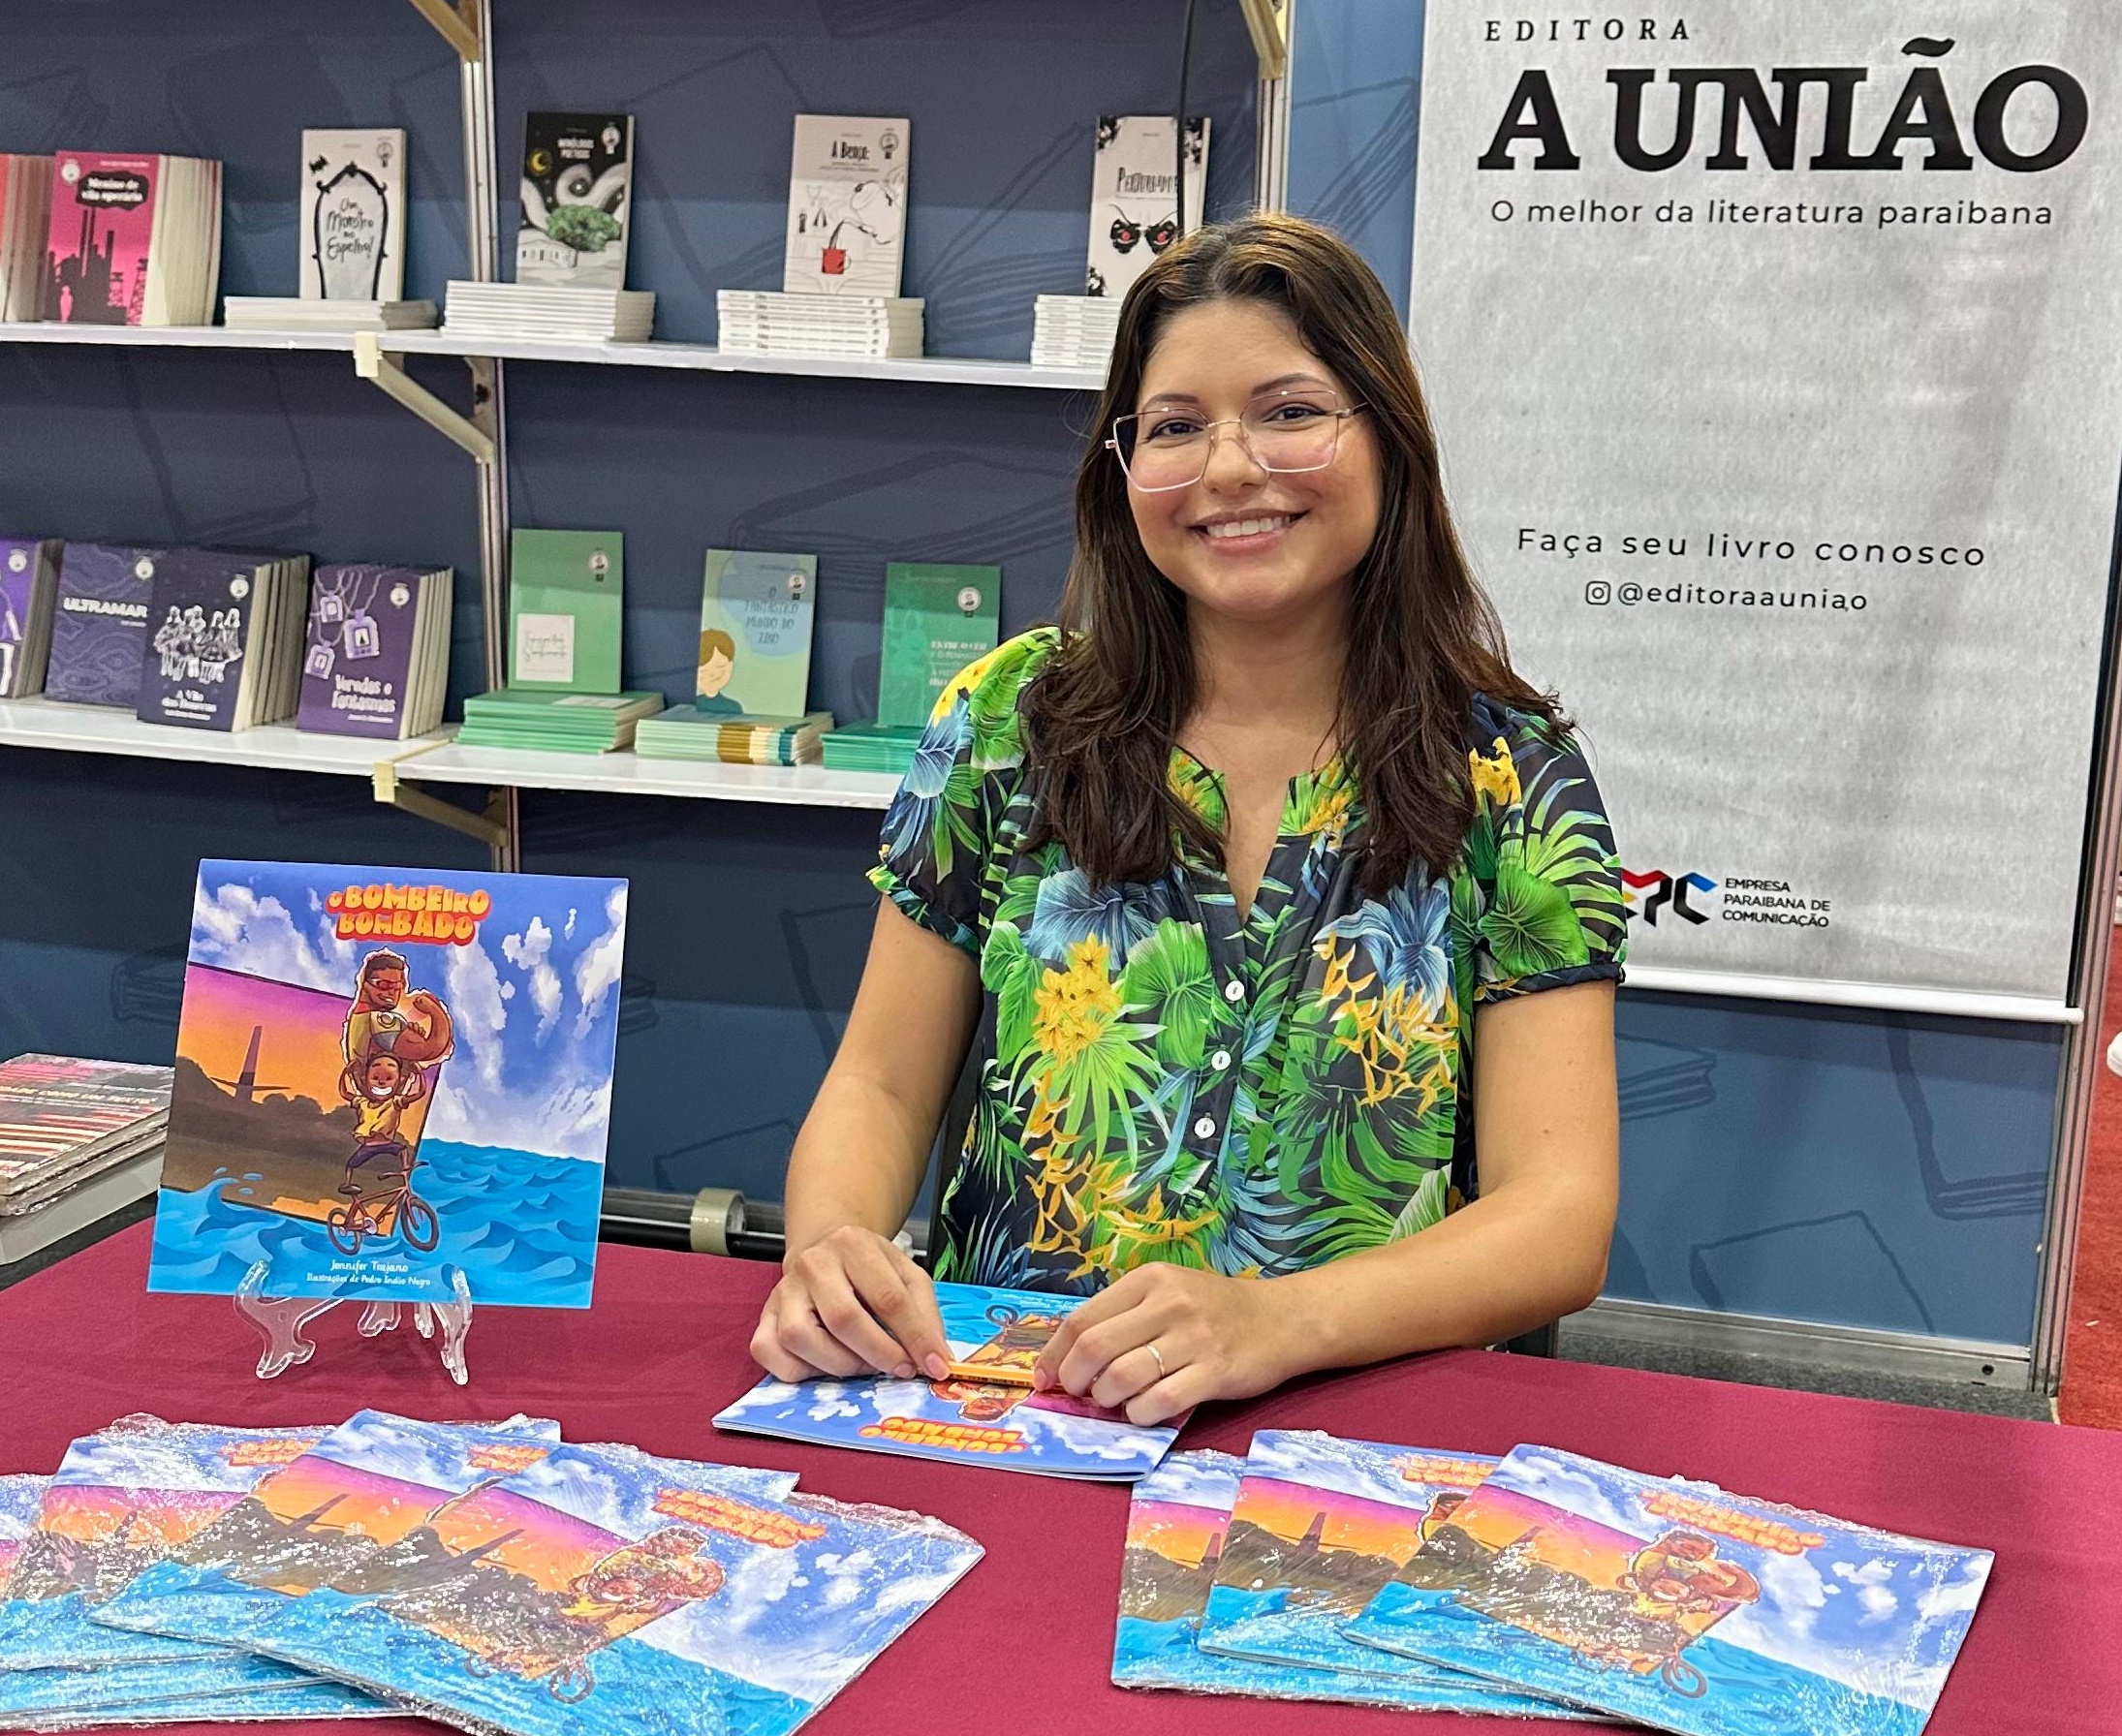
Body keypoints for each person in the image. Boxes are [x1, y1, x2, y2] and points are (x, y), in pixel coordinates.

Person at [750, 212, 1624, 1425]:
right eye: (1174, 426)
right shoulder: (1010, 719)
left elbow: (1560, 1213)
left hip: (1344, 1434)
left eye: (1288, 410)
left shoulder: (1510, 772)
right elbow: (883, 1087)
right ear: (1122, 470)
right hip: (1012, 1411)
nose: (1228, 467)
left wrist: (1277, 1321)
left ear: (1388, 437)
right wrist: (833, 1248)